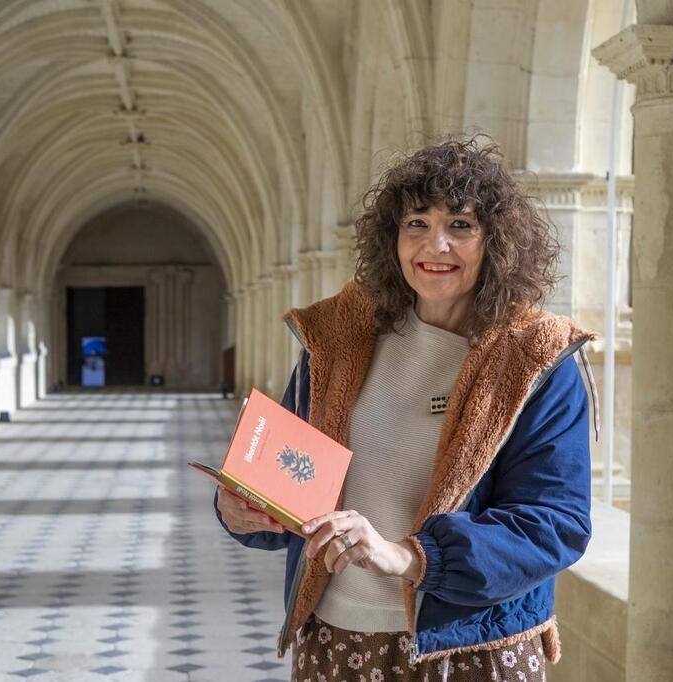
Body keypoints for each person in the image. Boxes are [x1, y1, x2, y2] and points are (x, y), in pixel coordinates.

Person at [214, 135, 599, 681]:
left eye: (460, 226)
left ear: (497, 242)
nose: (433, 246)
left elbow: (554, 525)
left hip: (470, 651)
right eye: (416, 223)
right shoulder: (339, 339)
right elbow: (286, 480)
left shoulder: (535, 360)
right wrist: (244, 513)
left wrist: (412, 558)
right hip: (336, 640)